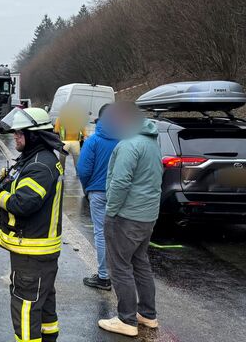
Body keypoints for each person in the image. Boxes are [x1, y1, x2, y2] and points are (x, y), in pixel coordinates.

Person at [0, 107, 65, 342]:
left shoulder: (40, 165)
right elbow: (16, 177)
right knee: (43, 301)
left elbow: (22, 203)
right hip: (36, 250)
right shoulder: (34, 158)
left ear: (34, 135)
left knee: (25, 306)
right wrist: (2, 179)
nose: (15, 137)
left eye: (19, 133)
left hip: (32, 251)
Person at [97, 103, 162, 337]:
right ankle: (148, 314)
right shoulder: (151, 142)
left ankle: (126, 320)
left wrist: (111, 212)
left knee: (120, 267)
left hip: (126, 217)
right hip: (146, 216)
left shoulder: (129, 145)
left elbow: (120, 182)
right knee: (141, 263)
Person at [76, 104, 117, 291]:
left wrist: (88, 187)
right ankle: (119, 274)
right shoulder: (125, 139)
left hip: (98, 192)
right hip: (120, 193)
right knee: (117, 234)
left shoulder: (93, 141)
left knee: (100, 233)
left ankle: (103, 276)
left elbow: (83, 169)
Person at [53, 102, 87, 170]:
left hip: (64, 142)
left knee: (62, 159)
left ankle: (62, 172)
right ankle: (78, 173)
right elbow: (84, 132)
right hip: (76, 142)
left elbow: (56, 130)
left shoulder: (60, 119)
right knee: (77, 160)